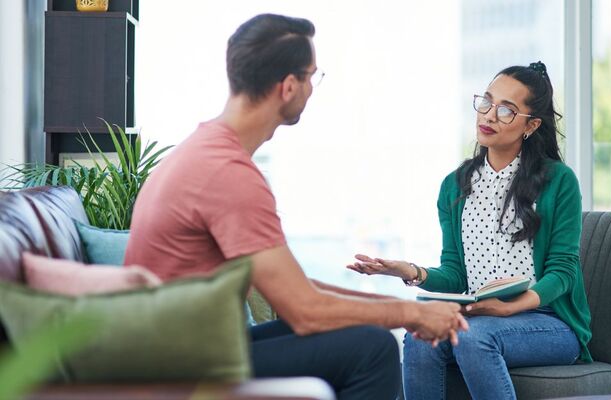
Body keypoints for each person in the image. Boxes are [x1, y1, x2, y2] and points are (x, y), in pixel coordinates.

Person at [124, 13, 467, 400]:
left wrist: (404, 308)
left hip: (189, 349)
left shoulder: (206, 151)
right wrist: (412, 314)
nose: (311, 88)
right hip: (181, 367)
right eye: (312, 76)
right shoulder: (227, 174)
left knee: (358, 332)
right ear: (288, 86)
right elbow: (306, 311)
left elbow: (296, 291)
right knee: (373, 349)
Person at [347, 62, 593, 400]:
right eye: (486, 102)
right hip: (479, 317)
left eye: (506, 110)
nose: (489, 116)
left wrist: (509, 307)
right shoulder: (455, 186)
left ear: (531, 125)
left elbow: (563, 271)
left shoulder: (559, 181)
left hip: (548, 322)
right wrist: (411, 272)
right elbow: (455, 275)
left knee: (474, 337)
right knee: (420, 336)